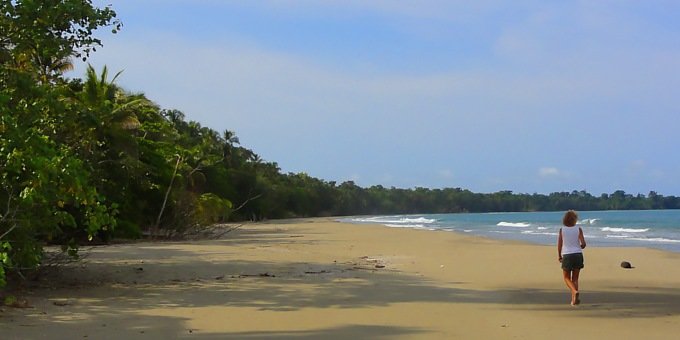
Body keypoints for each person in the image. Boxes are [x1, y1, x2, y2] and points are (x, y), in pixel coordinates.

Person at [557, 210, 586, 306]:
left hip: (567, 255)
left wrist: (559, 255)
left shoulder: (562, 230)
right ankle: (574, 300)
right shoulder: (579, 229)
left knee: (566, 277)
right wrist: (580, 246)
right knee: (575, 279)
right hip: (578, 254)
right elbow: (583, 243)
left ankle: (574, 291)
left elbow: (560, 244)